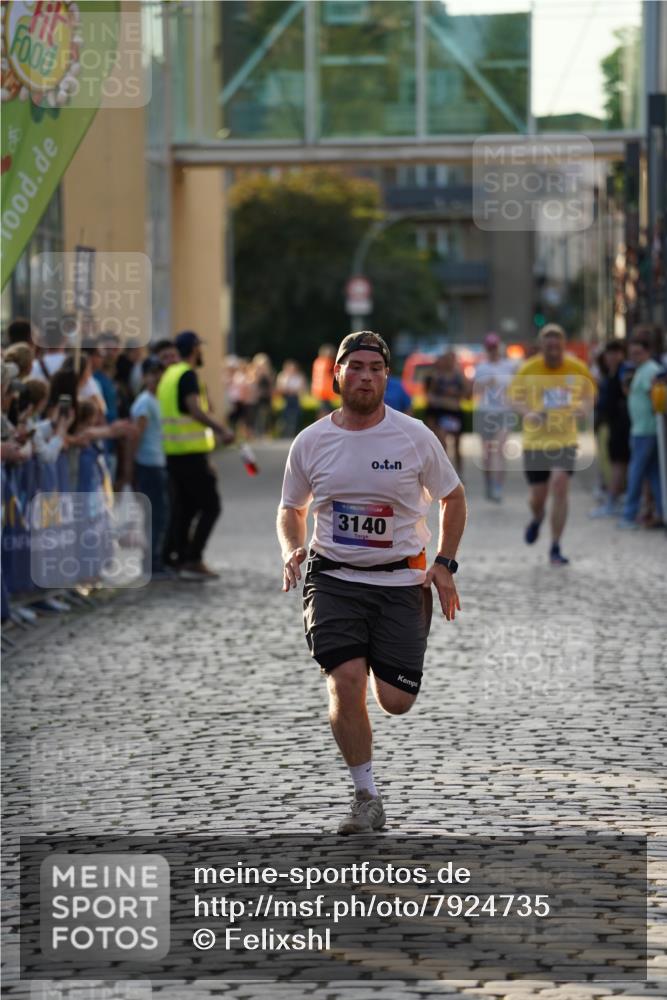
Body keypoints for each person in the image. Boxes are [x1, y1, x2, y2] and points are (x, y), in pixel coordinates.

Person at [277, 330, 466, 835]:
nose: (365, 376)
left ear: (387, 376)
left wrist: (444, 563)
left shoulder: (414, 436)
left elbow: (453, 497)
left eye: (375, 368)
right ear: (337, 374)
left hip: (401, 581)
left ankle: (400, 652)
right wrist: (292, 547)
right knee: (346, 681)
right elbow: (290, 508)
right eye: (355, 367)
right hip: (333, 578)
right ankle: (366, 797)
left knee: (395, 701)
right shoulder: (311, 441)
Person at [508, 324, 595, 565]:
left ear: (563, 346)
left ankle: (555, 546)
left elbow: (589, 395)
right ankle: (537, 518)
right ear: (542, 347)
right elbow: (514, 399)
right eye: (549, 347)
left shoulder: (577, 368)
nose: (553, 351)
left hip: (565, 440)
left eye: (557, 346)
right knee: (538, 497)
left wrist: (583, 409)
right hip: (535, 442)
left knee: (560, 486)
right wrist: (528, 413)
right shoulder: (529, 369)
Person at [157, 330, 234, 581]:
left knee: (186, 509)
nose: (201, 352)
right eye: (199, 348)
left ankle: (181, 557)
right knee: (211, 506)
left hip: (173, 453)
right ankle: (193, 558)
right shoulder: (186, 374)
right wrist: (221, 429)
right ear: (193, 349)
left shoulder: (169, 375)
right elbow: (193, 409)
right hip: (190, 454)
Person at [617, 330, 664, 530]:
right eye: (632, 354)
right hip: (642, 429)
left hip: (646, 430)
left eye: (638, 353)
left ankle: (629, 514)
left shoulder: (650, 370)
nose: (634, 357)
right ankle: (663, 512)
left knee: (636, 473)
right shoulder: (642, 369)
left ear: (647, 352)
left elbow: (655, 398)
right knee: (654, 474)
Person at [130, 357, 172, 579]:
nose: (157, 378)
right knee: (155, 515)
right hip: (148, 463)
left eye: (160, 373)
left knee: (160, 515)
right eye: (152, 373)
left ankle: (155, 559)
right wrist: (130, 468)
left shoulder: (158, 400)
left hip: (158, 462)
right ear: (144, 376)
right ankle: (151, 563)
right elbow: (136, 436)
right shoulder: (144, 402)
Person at [473, 332, 517, 502]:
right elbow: (475, 393)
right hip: (485, 412)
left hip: (504, 412)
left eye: (494, 347)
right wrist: (485, 384)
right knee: (487, 453)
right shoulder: (481, 368)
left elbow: (518, 388)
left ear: (499, 347)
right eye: (489, 348)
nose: (492, 351)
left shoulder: (509, 366)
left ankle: (498, 487)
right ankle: (489, 484)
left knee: (499, 449)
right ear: (486, 348)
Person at [589, 340, 630, 518]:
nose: (611, 357)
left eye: (615, 353)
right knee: (614, 463)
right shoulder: (610, 373)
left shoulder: (624, 371)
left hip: (622, 425)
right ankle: (615, 498)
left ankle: (614, 500)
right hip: (611, 424)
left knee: (618, 465)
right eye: (609, 353)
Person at [424, 350, 470, 477]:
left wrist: (454, 394)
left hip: (455, 412)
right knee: (442, 441)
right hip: (441, 412)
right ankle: (444, 472)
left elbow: (467, 394)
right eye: (447, 359)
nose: (449, 362)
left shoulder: (459, 375)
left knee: (457, 444)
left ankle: (460, 473)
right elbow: (430, 395)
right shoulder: (437, 376)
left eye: (451, 359)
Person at [276, 359, 306, 437]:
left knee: (296, 415)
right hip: (286, 398)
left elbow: (302, 388)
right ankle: (285, 432)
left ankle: (294, 432)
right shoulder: (283, 376)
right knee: (285, 416)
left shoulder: (299, 376)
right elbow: (280, 388)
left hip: (295, 398)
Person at [311, 344, 337, 418]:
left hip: (318, 390)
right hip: (326, 391)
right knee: (326, 412)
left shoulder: (317, 362)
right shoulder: (329, 363)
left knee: (322, 410)